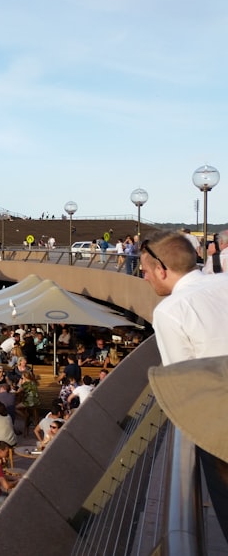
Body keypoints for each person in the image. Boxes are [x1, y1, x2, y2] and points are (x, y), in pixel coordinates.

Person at [140, 229, 228, 539]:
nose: (146, 278)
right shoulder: (223, 281)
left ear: (162, 269)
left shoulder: (169, 311)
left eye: (146, 271)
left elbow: (183, 381)